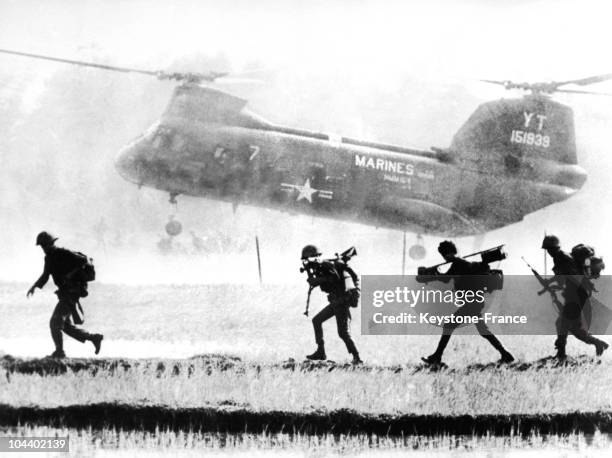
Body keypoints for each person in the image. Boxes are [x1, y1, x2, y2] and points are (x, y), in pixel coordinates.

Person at [421, 240, 514, 365]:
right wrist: (433, 273)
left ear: (446, 254)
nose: (444, 258)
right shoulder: (459, 263)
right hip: (474, 302)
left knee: (449, 325)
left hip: (472, 303)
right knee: (483, 330)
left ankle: (437, 357)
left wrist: (430, 274)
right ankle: (506, 355)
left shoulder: (457, 263)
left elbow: (445, 279)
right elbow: (447, 278)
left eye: (443, 255)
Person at [26, 231, 103, 358]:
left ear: (51, 243)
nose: (44, 248)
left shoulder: (63, 253)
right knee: (66, 326)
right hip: (65, 293)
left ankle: (59, 352)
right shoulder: (48, 258)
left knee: (55, 322)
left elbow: (83, 260)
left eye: (45, 245)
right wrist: (35, 286)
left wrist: (70, 275)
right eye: (42, 246)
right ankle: (94, 338)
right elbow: (45, 275)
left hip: (72, 292)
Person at [548, 239, 609, 359]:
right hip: (576, 294)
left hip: (576, 295)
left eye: (549, 249)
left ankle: (561, 354)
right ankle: (598, 343)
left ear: (554, 248)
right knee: (573, 327)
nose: (549, 252)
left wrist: (554, 284)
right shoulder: (563, 258)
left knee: (563, 323)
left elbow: (570, 278)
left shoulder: (563, 258)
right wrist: (551, 284)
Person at [302, 245, 362, 364]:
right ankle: (321, 352)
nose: (306, 262)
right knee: (316, 321)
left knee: (343, 333)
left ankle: (357, 358)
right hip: (336, 302)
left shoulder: (325, 265)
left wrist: (317, 281)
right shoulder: (320, 267)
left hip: (341, 302)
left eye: (307, 259)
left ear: (313, 257)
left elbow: (334, 278)